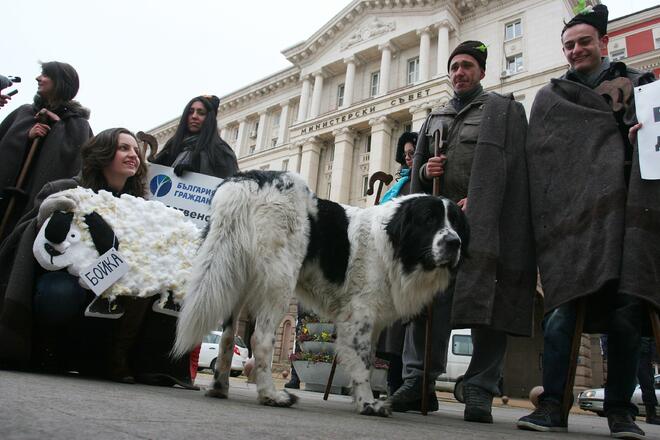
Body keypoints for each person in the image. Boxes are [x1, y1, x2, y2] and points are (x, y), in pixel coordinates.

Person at [517, 4, 657, 438]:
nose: (576, 50)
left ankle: (620, 411)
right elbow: (539, 156)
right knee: (560, 310)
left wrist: (640, 138)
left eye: (583, 42)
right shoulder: (551, 96)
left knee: (626, 310)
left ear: (604, 43)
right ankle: (552, 406)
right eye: (569, 45)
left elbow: (656, 153)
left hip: (625, 218)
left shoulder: (641, 86)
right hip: (569, 220)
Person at [388, 40, 536, 421]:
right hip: (440, 232)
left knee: (489, 307)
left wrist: (482, 204)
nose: (459, 72)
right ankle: (418, 381)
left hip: (485, 229)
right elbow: (416, 181)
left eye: (467, 66)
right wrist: (424, 172)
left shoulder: (503, 111)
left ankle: (480, 389)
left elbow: (517, 172)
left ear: (482, 71)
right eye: (454, 67)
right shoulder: (433, 118)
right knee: (427, 304)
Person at [0, 128, 196, 388]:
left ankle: (115, 358)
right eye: (123, 148)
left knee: (146, 286)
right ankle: (48, 351)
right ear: (103, 154)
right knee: (59, 293)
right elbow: (31, 239)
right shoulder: (65, 189)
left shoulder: (143, 207)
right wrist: (53, 216)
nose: (133, 155)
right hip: (63, 279)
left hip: (114, 278)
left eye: (135, 150)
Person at [0, 61, 92, 241]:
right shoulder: (24, 112)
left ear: (61, 82)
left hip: (33, 212)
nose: (38, 78)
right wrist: (27, 136)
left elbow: (76, 165)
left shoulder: (79, 125)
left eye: (46, 75)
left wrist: (57, 128)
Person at [376, 131, 418, 395]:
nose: (408, 159)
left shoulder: (419, 180)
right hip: (385, 259)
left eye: (413, 153)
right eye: (405, 155)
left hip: (407, 261)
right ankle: (393, 382)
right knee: (389, 327)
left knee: (400, 328)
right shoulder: (399, 182)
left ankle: (402, 384)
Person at [151, 95, 238, 179]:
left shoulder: (221, 150)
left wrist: (195, 176)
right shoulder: (172, 146)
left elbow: (230, 185)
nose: (194, 116)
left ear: (209, 118)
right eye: (190, 112)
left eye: (201, 113)